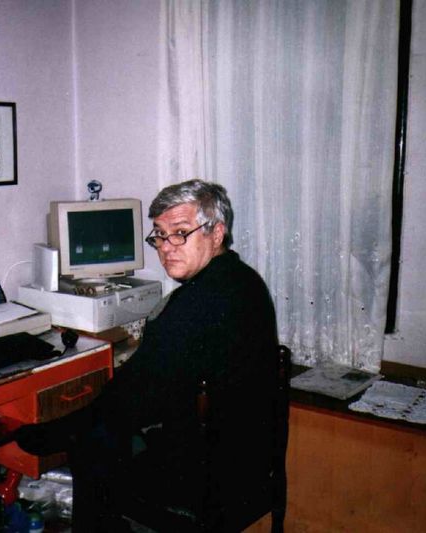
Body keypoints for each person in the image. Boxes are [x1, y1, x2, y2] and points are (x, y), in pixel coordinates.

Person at [17, 179, 279, 532]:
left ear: (216, 233)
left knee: (94, 441)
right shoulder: (245, 280)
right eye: (160, 235)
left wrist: (69, 426)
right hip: (251, 457)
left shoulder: (193, 304)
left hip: (212, 476)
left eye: (180, 233)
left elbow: (134, 399)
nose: (166, 248)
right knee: (104, 426)